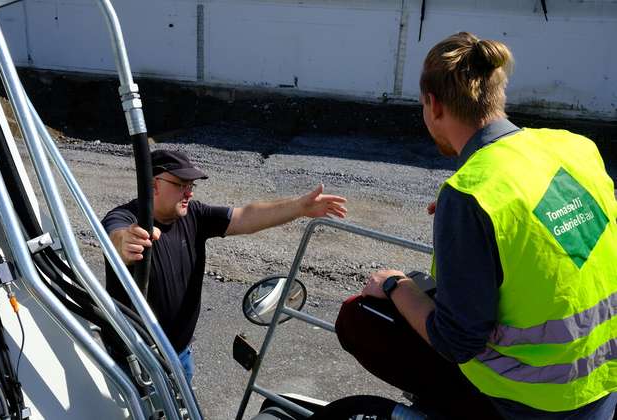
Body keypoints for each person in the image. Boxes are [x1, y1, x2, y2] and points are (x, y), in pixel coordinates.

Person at [335, 32, 617, 419]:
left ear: (433, 106)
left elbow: (457, 341)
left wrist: (394, 284)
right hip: (601, 378)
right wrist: (470, 225)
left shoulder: (471, 194)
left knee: (359, 318)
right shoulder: (575, 147)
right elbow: (564, 237)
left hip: (532, 398)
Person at [102, 149, 347, 383]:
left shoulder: (193, 216)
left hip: (180, 355)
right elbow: (115, 238)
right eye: (181, 185)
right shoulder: (125, 218)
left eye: (191, 186)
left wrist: (299, 207)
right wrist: (124, 243)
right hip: (134, 360)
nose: (189, 193)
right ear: (153, 184)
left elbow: (245, 216)